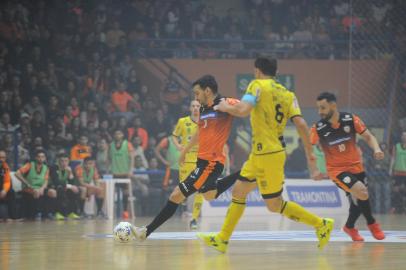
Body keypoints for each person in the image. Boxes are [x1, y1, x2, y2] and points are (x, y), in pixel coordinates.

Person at [198, 57, 333, 253]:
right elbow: (302, 125)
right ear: (275, 72)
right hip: (261, 153)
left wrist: (224, 106)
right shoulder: (288, 94)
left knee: (274, 205)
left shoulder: (257, 85)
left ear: (257, 71)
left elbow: (243, 110)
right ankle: (222, 239)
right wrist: (310, 156)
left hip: (269, 154)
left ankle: (321, 224)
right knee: (239, 191)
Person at [132, 75, 240, 240]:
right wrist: (184, 151)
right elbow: (199, 133)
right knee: (209, 195)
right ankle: (243, 173)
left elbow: (247, 108)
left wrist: (230, 108)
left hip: (211, 163)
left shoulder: (225, 102)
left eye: (197, 93)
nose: (196, 98)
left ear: (208, 91)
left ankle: (145, 231)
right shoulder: (204, 109)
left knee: (176, 195)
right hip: (203, 161)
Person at [310, 92, 385, 241]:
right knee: (362, 192)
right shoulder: (318, 128)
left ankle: (349, 227)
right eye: (318, 108)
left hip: (356, 167)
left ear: (333, 105)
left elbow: (369, 136)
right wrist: (314, 169)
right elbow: (309, 148)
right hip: (337, 171)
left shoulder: (351, 119)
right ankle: (372, 224)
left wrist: (377, 148)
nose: (320, 112)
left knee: (358, 200)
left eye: (323, 108)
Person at [172, 100, 203, 229]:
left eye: (197, 106)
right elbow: (174, 136)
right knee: (183, 191)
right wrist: (179, 146)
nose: (195, 108)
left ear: (200, 108)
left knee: (200, 190)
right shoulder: (183, 122)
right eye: (193, 106)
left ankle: (194, 219)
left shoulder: (205, 122)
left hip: (200, 160)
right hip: (186, 160)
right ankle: (182, 206)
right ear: (190, 108)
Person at [15, 150, 53, 220]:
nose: (40, 158)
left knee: (52, 192)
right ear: (36, 158)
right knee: (36, 192)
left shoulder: (46, 168)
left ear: (45, 158)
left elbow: (46, 181)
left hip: (39, 188)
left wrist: (42, 188)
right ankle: (37, 213)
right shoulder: (29, 165)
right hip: (28, 188)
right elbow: (17, 173)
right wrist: (26, 183)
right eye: (39, 157)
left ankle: (48, 214)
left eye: (42, 157)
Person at [109, 129, 135, 219]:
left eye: (119, 133)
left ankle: (125, 212)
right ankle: (111, 212)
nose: (117, 135)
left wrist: (131, 170)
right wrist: (108, 170)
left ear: (123, 135)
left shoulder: (128, 144)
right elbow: (108, 158)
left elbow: (132, 158)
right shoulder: (111, 145)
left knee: (126, 193)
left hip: (125, 173)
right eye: (116, 133)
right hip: (114, 173)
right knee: (112, 194)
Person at [48, 153, 81, 220]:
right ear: (58, 161)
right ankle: (58, 213)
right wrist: (70, 186)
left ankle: (71, 213)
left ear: (69, 161)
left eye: (66, 161)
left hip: (64, 187)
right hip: (52, 187)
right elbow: (56, 182)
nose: (64, 163)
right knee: (60, 189)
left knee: (75, 191)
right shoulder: (53, 168)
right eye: (62, 161)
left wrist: (70, 173)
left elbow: (73, 182)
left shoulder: (70, 169)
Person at [390, 131, 406, 214]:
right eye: (403, 135)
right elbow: (393, 158)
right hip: (397, 172)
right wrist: (390, 169)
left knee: (403, 190)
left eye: (405, 136)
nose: (404, 137)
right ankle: (395, 207)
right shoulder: (396, 146)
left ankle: (403, 208)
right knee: (396, 190)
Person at [0, 150, 12, 220]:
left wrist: (4, 190)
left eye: (3, 158)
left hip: (1, 188)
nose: (1, 159)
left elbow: (7, 181)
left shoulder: (6, 167)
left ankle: (11, 217)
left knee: (11, 192)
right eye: (0, 157)